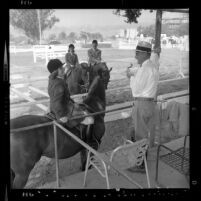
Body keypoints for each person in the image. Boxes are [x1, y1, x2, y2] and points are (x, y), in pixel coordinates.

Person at [127, 41, 160, 171]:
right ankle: (142, 161)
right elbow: (155, 58)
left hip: (141, 103)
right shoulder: (153, 66)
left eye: (138, 53)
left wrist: (130, 76)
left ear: (145, 54)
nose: (135, 56)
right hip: (150, 103)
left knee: (139, 136)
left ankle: (139, 165)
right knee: (143, 134)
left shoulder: (143, 69)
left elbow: (136, 88)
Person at [47, 59, 71, 123]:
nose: (63, 69)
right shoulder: (59, 83)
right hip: (63, 110)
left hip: (52, 108)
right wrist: (62, 116)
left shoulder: (51, 79)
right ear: (55, 71)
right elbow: (57, 102)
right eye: (61, 68)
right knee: (90, 120)